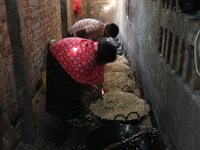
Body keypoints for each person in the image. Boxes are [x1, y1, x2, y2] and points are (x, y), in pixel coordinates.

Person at [46, 37, 117, 126]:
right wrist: (94, 91)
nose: (105, 64)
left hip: (67, 54)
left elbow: (97, 70)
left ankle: (78, 108)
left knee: (75, 88)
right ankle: (68, 116)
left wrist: (101, 88)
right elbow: (78, 79)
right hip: (57, 55)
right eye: (105, 62)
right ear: (101, 58)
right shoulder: (86, 58)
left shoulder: (98, 51)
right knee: (68, 87)